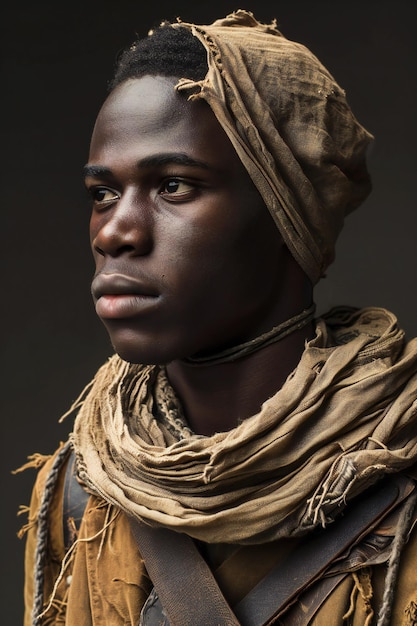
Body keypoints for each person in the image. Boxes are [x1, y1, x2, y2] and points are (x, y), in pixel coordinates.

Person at [21, 10, 417, 626]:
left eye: (174, 185)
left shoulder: (401, 473)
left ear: (288, 215)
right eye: (103, 194)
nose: (116, 231)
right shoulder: (83, 488)